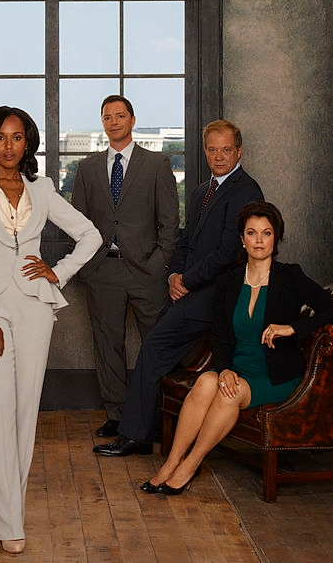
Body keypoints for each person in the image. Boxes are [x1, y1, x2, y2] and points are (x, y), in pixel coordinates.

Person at [0, 106, 101, 554]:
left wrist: (57, 272)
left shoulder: (43, 188)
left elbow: (90, 235)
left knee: (24, 413)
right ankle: (9, 522)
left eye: (17, 137)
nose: (9, 145)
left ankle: (12, 510)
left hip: (36, 307)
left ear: (27, 143)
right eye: (0, 137)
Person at [142, 201, 333, 494]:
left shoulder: (290, 277)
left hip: (274, 374)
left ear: (276, 238)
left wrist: (293, 328)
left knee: (230, 393)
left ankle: (190, 465)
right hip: (237, 365)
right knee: (205, 382)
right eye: (252, 233)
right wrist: (224, 368)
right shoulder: (228, 281)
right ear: (242, 239)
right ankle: (171, 462)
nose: (259, 240)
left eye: (266, 233)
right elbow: (222, 336)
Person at [96, 119, 263, 457]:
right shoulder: (203, 190)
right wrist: (174, 275)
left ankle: (137, 436)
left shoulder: (246, 190)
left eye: (226, 150)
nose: (218, 157)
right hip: (191, 287)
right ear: (205, 152)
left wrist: (187, 281)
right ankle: (160, 429)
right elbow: (187, 241)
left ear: (239, 151)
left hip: (218, 293)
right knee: (159, 350)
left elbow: (229, 252)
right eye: (212, 150)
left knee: (154, 346)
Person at [72, 94, 179, 439]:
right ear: (102, 123)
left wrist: (158, 265)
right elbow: (78, 222)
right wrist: (87, 267)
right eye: (107, 117)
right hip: (103, 270)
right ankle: (116, 416)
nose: (114, 121)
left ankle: (162, 414)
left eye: (120, 115)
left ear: (132, 120)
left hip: (146, 271)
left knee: (157, 344)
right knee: (108, 346)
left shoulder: (157, 163)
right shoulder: (87, 168)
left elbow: (170, 223)